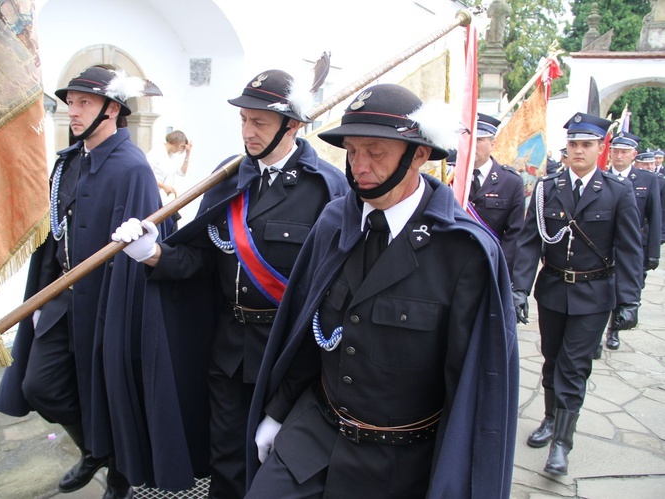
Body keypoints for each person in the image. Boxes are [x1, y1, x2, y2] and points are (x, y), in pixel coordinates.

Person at [244, 84, 519, 498]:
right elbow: (306, 332)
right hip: (316, 432)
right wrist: (278, 412)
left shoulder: (465, 252)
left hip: (399, 463)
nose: (359, 166)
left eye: (375, 151)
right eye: (352, 151)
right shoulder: (335, 221)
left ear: (419, 154)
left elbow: (471, 387)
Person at [112, 69, 348, 498]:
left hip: (287, 355)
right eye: (244, 120)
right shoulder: (228, 176)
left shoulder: (327, 188)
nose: (248, 131)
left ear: (291, 125)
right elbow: (204, 258)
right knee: (225, 462)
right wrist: (153, 254)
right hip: (230, 351)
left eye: (260, 122)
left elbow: (332, 290)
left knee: (282, 468)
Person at [0, 66, 191, 498]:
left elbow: (143, 252)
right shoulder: (68, 164)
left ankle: (118, 470)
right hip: (65, 298)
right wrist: (44, 292)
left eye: (84, 103)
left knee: (112, 393)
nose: (73, 112)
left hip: (109, 304)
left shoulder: (133, 168)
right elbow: (53, 236)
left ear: (112, 109)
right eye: (71, 103)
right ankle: (94, 449)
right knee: (40, 385)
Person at [513, 112, 643, 476]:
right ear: (566, 148)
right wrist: (519, 289)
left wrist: (629, 300)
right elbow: (529, 243)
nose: (579, 151)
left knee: (573, 367)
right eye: (573, 144)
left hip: (594, 294)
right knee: (552, 360)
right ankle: (551, 420)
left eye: (587, 145)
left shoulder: (618, 192)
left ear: (600, 149)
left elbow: (630, 249)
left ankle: (562, 446)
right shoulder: (546, 188)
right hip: (553, 290)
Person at [597, 133, 661, 354]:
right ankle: (596, 334)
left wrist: (653, 251)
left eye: (624, 151)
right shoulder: (601, 176)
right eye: (615, 151)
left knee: (623, 288)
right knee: (601, 288)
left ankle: (614, 330)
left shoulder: (647, 180)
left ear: (634, 155)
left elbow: (655, 216)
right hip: (604, 246)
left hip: (634, 246)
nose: (619, 155)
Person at [468, 113, 525, 278]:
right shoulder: (451, 177)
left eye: (479, 140)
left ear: (492, 144)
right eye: (469, 139)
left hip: (492, 264)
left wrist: (500, 271)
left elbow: (515, 233)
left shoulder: (510, 181)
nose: (473, 145)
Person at [147, 130, 192, 203]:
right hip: (152, 193)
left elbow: (182, 172)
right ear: (175, 142)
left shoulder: (172, 156)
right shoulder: (156, 152)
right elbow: (146, 175)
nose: (180, 149)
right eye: (181, 146)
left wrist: (187, 155)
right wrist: (163, 186)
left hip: (164, 197)